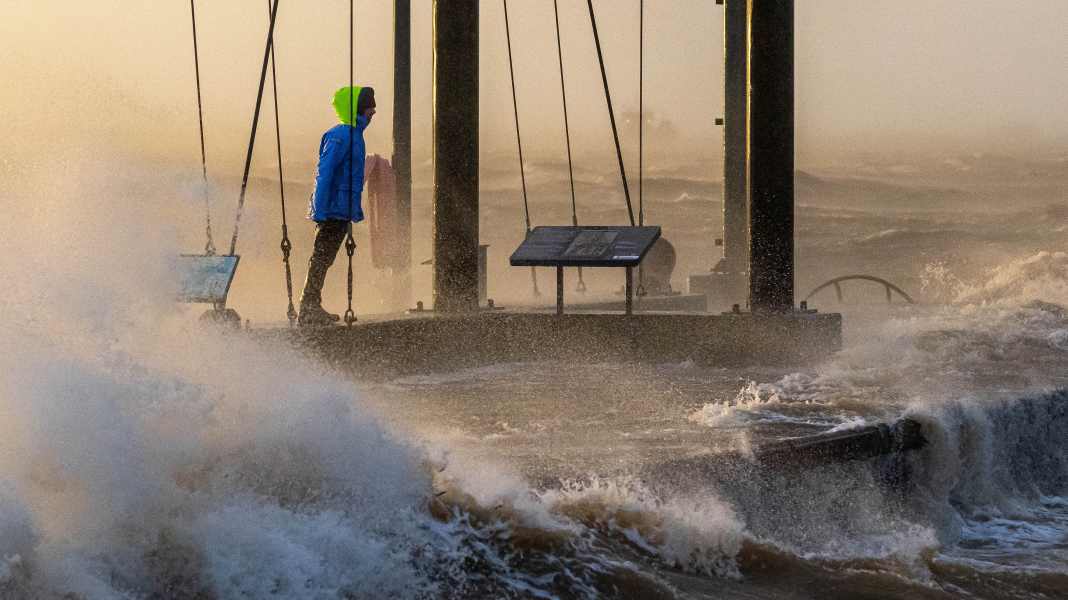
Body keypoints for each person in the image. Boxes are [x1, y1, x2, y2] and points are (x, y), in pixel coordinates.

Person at [298, 85, 376, 326]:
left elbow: (351, 180)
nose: (373, 112)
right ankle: (308, 306)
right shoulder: (339, 136)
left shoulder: (355, 136)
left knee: (326, 258)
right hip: (331, 210)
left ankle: (311, 304)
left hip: (341, 211)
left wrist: (354, 212)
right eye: (368, 107)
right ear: (358, 110)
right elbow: (325, 174)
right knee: (321, 257)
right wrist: (319, 210)